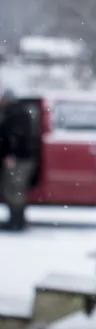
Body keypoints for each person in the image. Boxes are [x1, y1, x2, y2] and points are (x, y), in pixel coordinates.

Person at [0, 88, 36, 232]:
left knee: (15, 190)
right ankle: (16, 220)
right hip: (20, 158)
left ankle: (17, 222)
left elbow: (16, 136)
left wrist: (11, 154)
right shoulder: (20, 112)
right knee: (15, 190)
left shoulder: (15, 114)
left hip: (18, 159)